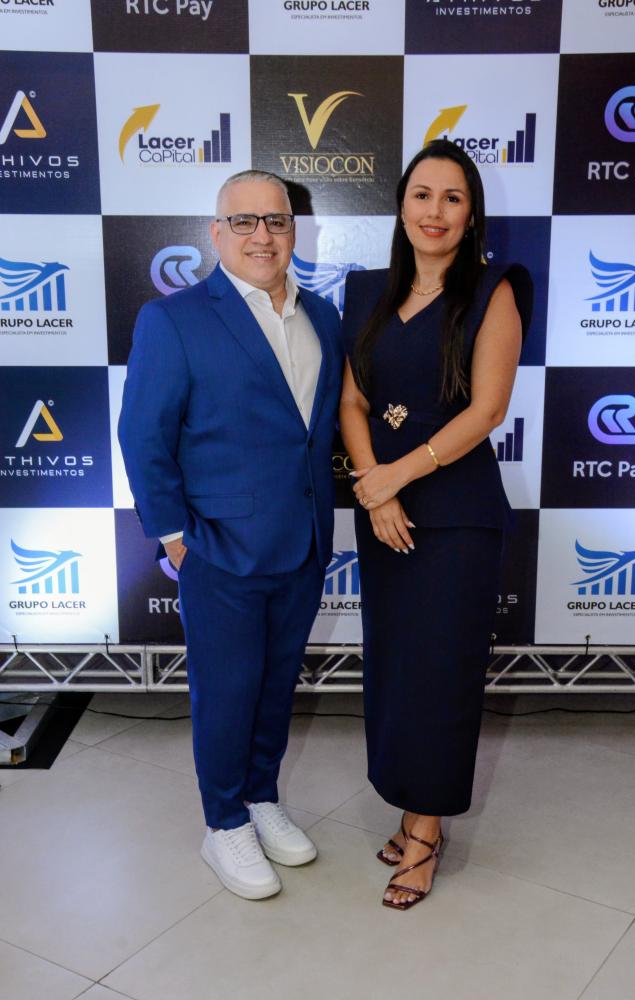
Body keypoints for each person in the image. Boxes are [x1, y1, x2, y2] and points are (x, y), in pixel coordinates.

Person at [119, 170, 342, 900]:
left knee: (276, 685)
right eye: (243, 221)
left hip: (303, 541)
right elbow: (143, 434)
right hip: (218, 546)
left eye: (275, 221)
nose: (261, 235)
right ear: (216, 234)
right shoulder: (173, 319)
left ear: (294, 232)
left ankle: (259, 795)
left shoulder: (322, 316)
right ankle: (222, 823)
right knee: (226, 691)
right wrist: (175, 537)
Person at [339, 141, 532, 911]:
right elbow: (351, 402)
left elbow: (486, 411)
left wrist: (398, 475)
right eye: (422, 194)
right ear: (400, 205)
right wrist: (374, 490)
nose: (435, 211)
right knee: (394, 668)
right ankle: (407, 805)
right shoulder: (364, 292)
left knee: (440, 675)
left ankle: (424, 831)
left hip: (455, 518)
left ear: (470, 214)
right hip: (384, 515)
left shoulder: (492, 291)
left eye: (453, 198)